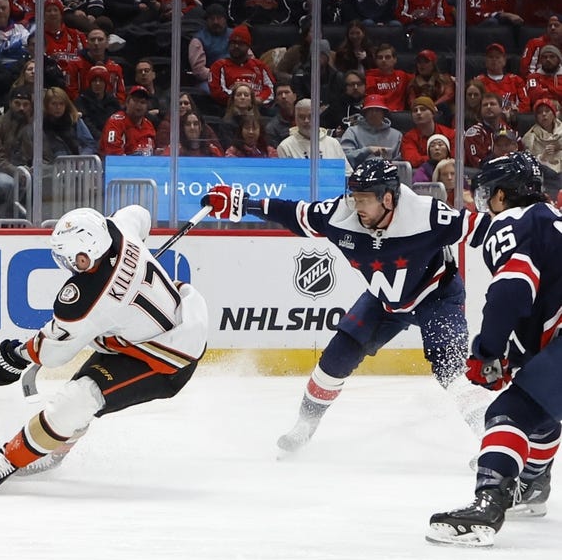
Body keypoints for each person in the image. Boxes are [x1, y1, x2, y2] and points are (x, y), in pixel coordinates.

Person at [202, 159, 494, 456]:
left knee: (452, 368)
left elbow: (486, 229)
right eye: (355, 198)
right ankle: (304, 427)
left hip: (437, 296)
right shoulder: (341, 215)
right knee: (334, 361)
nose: (357, 206)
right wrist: (241, 204)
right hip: (383, 301)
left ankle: (489, 441)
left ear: (388, 198)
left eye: (365, 199)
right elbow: (294, 213)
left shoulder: (427, 215)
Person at [0, 206, 208, 491]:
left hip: (165, 361)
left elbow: (53, 353)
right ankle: (57, 446)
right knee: (81, 394)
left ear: (87, 254)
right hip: (151, 333)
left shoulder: (87, 297)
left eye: (69, 256)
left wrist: (14, 356)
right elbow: (139, 214)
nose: (66, 262)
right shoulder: (118, 229)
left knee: (79, 399)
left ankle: (10, 459)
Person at [426, 153, 559, 547]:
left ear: (502, 194)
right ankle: (533, 485)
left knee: (506, 412)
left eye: (486, 193)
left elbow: (512, 291)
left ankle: (489, 502)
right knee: (538, 395)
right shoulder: (551, 217)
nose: (483, 202)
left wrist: (487, 350)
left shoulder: (512, 222)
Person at [276, 98, 350, 174]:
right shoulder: (285, 147)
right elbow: (286, 180)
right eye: (301, 117)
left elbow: (347, 173)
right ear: (295, 119)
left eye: (310, 116)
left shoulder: (333, 143)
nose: (306, 121)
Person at [341, 94, 403, 168]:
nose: (374, 113)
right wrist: (368, 150)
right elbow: (344, 157)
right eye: (370, 110)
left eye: (377, 110)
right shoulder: (352, 132)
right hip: (358, 174)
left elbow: (401, 160)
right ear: (364, 113)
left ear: (384, 113)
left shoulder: (397, 135)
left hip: (389, 174)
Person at [401, 96, 455, 169]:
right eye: (415, 110)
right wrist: (439, 157)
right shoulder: (408, 137)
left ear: (433, 113)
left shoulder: (450, 134)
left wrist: (427, 159)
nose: (418, 113)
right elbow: (411, 160)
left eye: (423, 109)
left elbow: (457, 157)